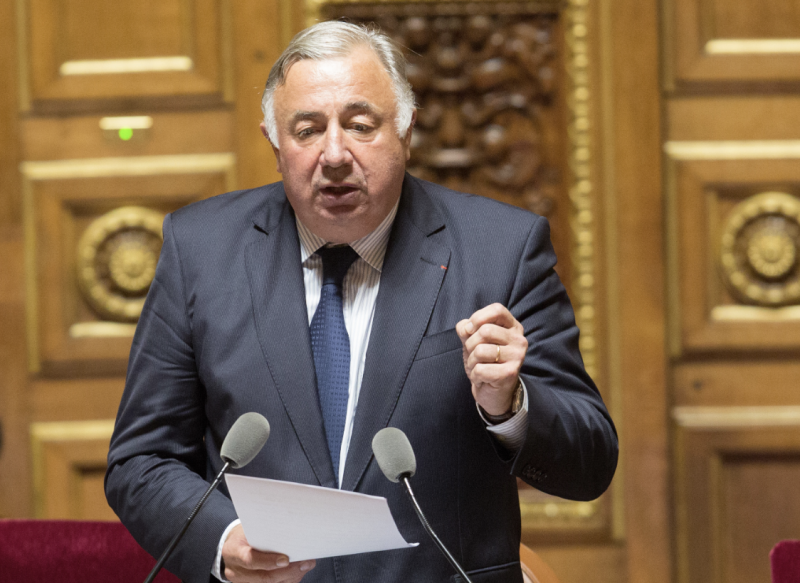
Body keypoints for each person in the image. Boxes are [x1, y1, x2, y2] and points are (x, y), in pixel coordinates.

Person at [106, 21, 618, 583]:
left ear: (406, 130)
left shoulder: (501, 252)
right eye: (306, 130)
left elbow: (589, 463)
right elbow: (141, 461)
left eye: (360, 125)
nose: (333, 154)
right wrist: (224, 539)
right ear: (274, 144)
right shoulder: (201, 251)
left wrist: (510, 405)